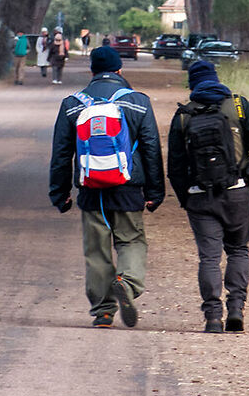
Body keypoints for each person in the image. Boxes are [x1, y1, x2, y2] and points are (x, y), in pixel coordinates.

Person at [48, 40, 165, 328]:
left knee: (97, 250)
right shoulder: (138, 101)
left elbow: (62, 154)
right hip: (127, 187)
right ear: (120, 69)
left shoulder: (72, 104)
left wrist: (60, 193)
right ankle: (126, 283)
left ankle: (102, 311)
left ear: (91, 71)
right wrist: (154, 192)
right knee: (131, 241)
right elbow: (151, 148)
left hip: (91, 190)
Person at [167, 54, 249, 334]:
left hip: (200, 197)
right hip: (237, 192)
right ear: (216, 78)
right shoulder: (237, 105)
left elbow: (175, 166)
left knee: (209, 258)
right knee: (238, 250)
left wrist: (186, 199)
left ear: (193, 85)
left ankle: (213, 317)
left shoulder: (183, 115)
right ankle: (236, 308)